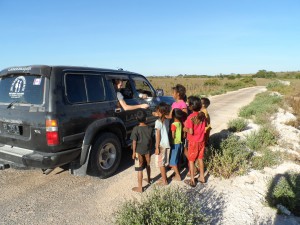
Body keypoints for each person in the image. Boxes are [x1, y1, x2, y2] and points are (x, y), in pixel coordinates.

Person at [184, 96, 206, 187]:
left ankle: (192, 180)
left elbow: (191, 131)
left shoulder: (190, 117)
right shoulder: (202, 116)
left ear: (191, 107)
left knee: (191, 160)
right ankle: (202, 177)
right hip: (202, 140)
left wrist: (185, 129)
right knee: (200, 159)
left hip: (193, 142)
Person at [130, 110, 153, 193]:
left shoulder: (136, 129)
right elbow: (151, 140)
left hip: (138, 151)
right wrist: (150, 149)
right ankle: (149, 179)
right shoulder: (150, 128)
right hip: (147, 150)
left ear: (136, 118)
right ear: (146, 118)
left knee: (140, 169)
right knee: (148, 165)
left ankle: (140, 188)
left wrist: (133, 152)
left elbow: (134, 142)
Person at [154, 102, 171, 186]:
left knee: (161, 164)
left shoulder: (158, 122)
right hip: (166, 143)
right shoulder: (167, 120)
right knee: (163, 162)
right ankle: (164, 178)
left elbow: (158, 135)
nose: (156, 112)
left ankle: (164, 181)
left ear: (161, 111)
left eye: (157, 110)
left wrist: (157, 147)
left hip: (161, 145)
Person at [169, 108, 184, 181]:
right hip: (180, 143)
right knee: (177, 159)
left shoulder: (173, 124)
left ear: (173, 116)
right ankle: (178, 172)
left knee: (173, 161)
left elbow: (173, 135)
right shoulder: (180, 123)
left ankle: (178, 176)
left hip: (175, 143)